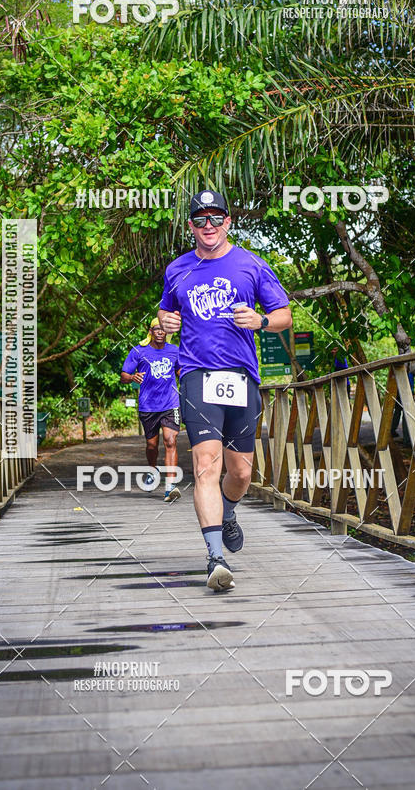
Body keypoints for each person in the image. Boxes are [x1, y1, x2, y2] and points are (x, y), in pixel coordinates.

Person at [158, 190, 292, 591]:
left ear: (228, 222)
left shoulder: (251, 264)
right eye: (200, 220)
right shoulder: (177, 269)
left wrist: (261, 320)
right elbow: (167, 313)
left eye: (216, 218)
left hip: (241, 377)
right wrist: (166, 323)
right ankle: (215, 557)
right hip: (197, 375)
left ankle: (229, 512)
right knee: (206, 465)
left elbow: (284, 315)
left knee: (241, 472)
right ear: (191, 227)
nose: (209, 226)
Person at [121, 317, 182, 502]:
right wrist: (132, 377)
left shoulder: (175, 351)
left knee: (170, 441)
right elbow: (123, 375)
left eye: (164, 329)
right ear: (151, 331)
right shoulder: (139, 351)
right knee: (152, 445)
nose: (160, 332)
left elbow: (181, 372)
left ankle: (170, 487)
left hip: (171, 403)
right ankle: (152, 469)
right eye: (157, 329)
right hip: (148, 405)